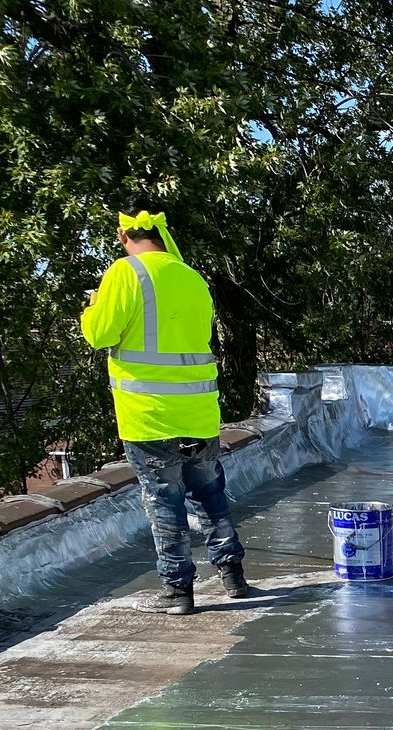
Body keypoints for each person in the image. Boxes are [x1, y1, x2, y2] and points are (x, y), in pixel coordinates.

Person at [79, 199, 249, 614]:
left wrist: (92, 305)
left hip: (149, 417)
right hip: (199, 414)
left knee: (164, 502)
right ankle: (233, 578)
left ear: (124, 236)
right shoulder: (192, 277)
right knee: (210, 495)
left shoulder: (125, 272)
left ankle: (178, 592)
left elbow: (100, 335)